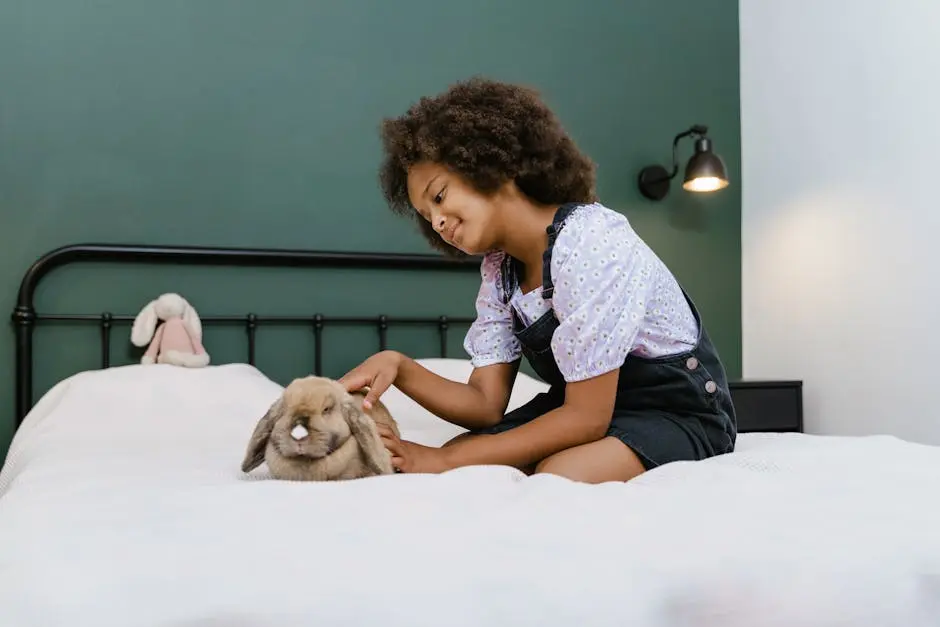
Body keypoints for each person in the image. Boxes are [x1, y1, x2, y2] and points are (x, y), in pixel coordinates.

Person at [339, 77, 736, 483]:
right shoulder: (501, 273)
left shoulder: (589, 242)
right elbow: (485, 404)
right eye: (427, 217)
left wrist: (442, 462)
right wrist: (400, 367)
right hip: (583, 407)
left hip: (675, 411)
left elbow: (586, 417)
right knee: (461, 452)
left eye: (439, 197)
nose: (438, 222)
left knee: (559, 472)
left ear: (488, 164)